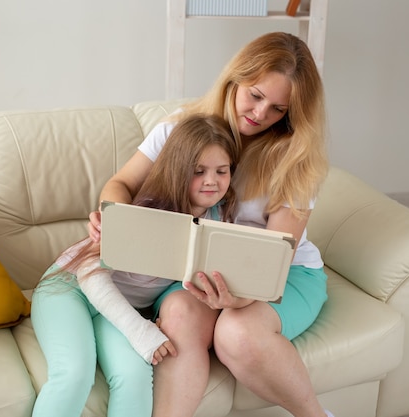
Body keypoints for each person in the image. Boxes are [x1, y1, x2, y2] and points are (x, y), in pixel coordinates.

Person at [87, 32, 334, 417]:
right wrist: (118, 219)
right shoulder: (178, 132)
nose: (260, 114)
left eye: (277, 109)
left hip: (281, 276)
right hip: (195, 271)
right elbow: (120, 184)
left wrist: (239, 299)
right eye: (255, 95)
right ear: (236, 78)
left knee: (236, 335)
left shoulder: (295, 161)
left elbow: (274, 257)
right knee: (182, 316)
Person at [30, 114, 239, 417]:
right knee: (75, 374)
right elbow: (89, 273)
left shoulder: (219, 219)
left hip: (116, 308)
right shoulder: (149, 209)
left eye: (222, 171)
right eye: (198, 171)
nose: (211, 181)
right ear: (179, 170)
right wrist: (139, 330)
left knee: (136, 376)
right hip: (69, 290)